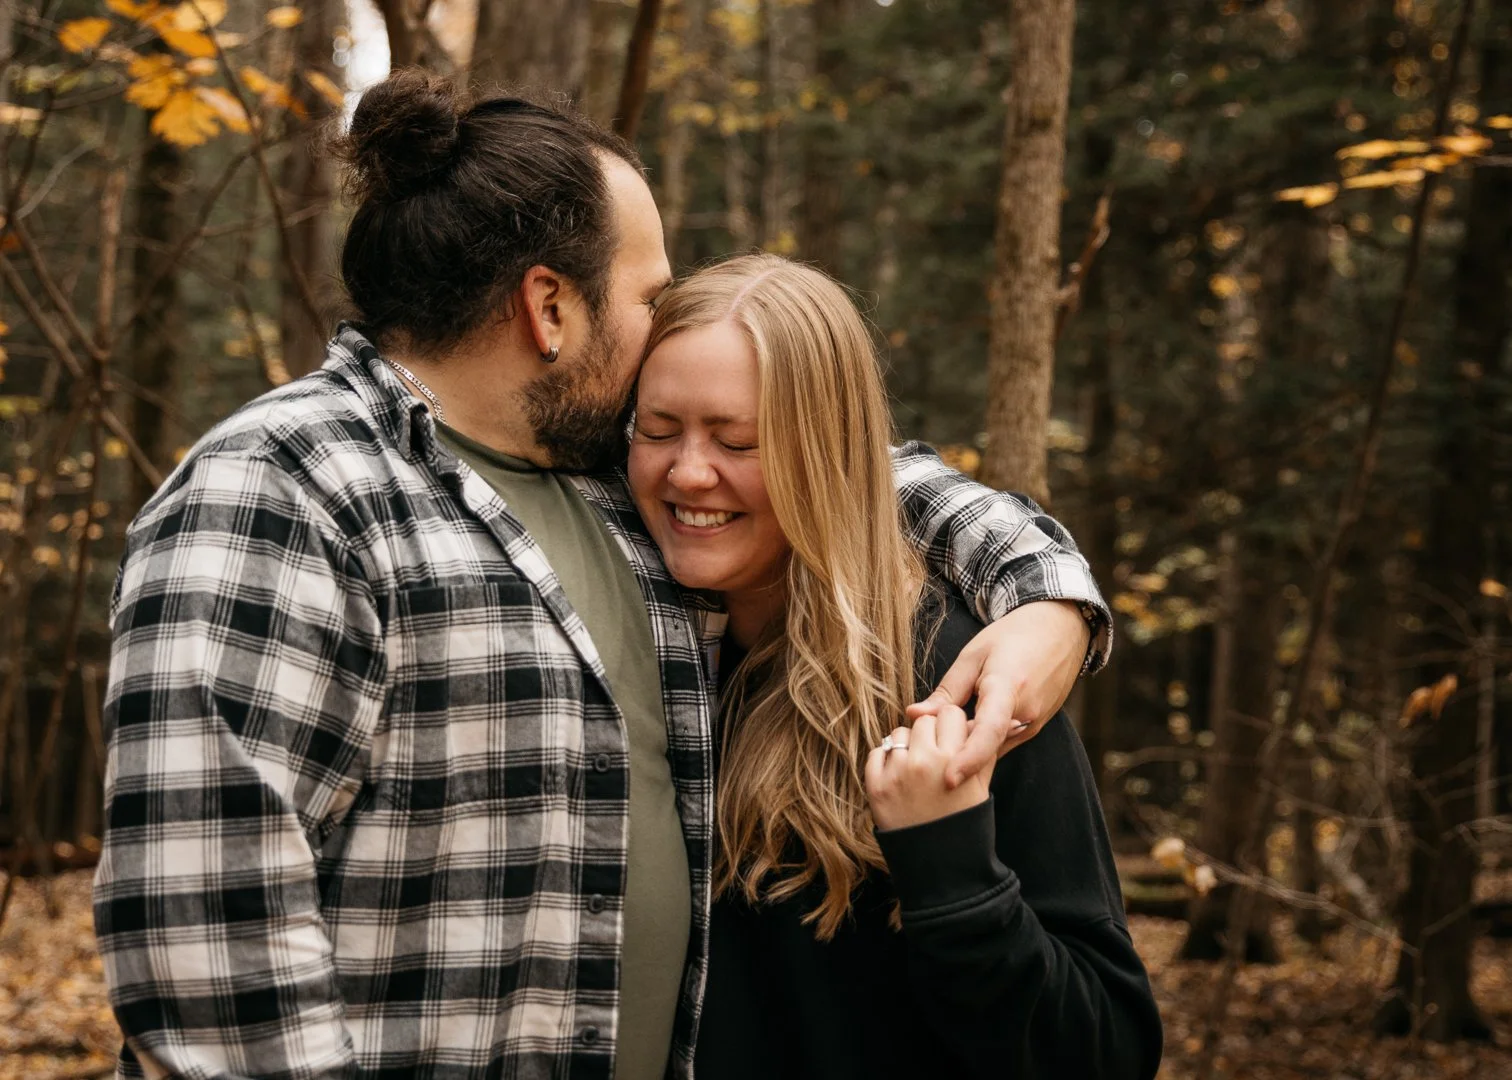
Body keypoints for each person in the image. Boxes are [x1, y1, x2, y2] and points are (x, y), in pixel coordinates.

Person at [95, 73, 1112, 1079]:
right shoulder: (285, 492)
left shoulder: (604, 477)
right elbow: (213, 975)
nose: (662, 337)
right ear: (550, 307)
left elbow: (836, 466)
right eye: (649, 295)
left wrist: (1046, 594)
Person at [626, 253, 1162, 1079]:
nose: (688, 471)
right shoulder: (626, 642)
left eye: (739, 441)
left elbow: (1104, 1048)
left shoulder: (953, 674)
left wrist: (951, 867)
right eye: (658, 431)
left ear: (831, 452)